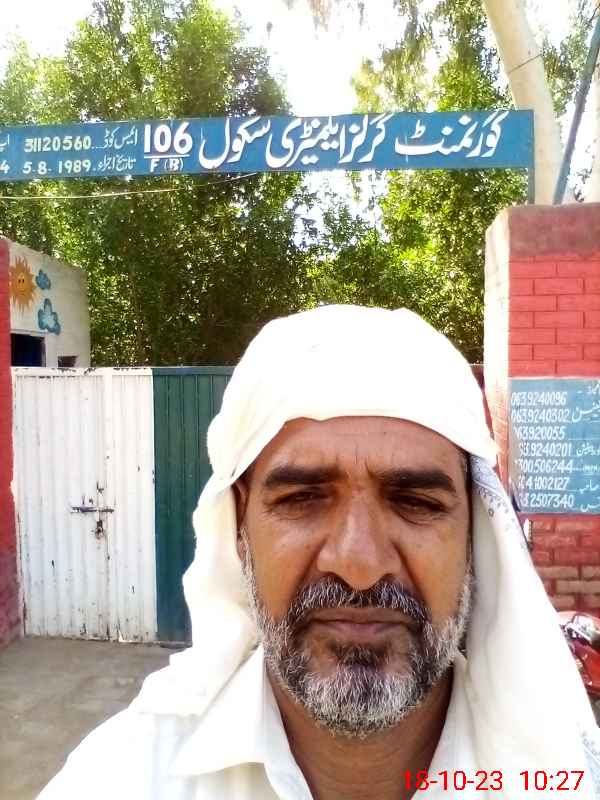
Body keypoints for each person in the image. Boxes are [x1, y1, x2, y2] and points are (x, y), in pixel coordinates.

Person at [39, 305, 600, 800]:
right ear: (239, 529)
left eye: (415, 502)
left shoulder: (563, 779)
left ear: (474, 535)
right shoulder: (120, 780)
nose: (359, 565)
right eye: (302, 499)